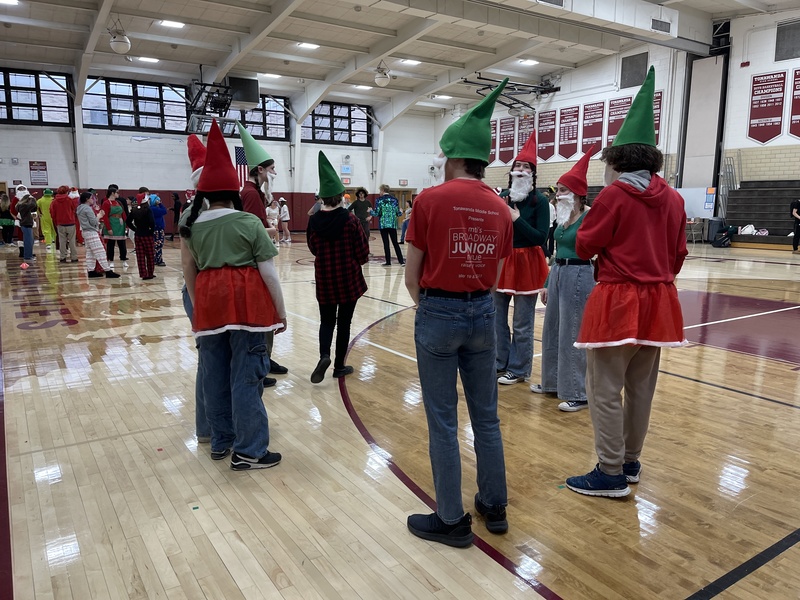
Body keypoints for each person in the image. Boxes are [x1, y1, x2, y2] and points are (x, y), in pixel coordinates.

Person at [566, 66, 687, 498]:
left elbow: (583, 247)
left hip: (618, 298)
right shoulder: (674, 198)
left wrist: (575, 222)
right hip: (660, 300)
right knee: (641, 389)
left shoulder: (614, 195)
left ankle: (610, 472)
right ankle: (630, 462)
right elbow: (678, 256)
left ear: (617, 160)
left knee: (603, 389)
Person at [404, 79, 513, 548]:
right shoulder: (502, 209)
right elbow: (496, 275)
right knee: (486, 418)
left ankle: (450, 519)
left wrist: (431, 307)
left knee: (444, 420)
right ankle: (494, 504)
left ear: (451, 155)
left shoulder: (429, 200)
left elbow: (412, 274)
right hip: (482, 313)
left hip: (438, 311)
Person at [180, 119, 285, 471]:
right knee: (247, 375)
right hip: (248, 307)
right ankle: (250, 450)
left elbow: (189, 273)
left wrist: (198, 312)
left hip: (208, 306)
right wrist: (280, 312)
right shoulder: (249, 223)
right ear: (234, 191)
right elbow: (268, 273)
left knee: (213, 373)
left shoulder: (192, 226)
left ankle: (221, 440)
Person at [531, 149, 596, 412]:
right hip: (558, 271)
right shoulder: (560, 218)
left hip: (580, 273)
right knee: (552, 328)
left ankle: (578, 392)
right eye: (557, 190)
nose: (558, 195)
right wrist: (547, 283)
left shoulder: (589, 215)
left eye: (564, 190)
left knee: (572, 331)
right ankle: (552, 382)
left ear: (579, 194)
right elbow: (557, 253)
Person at [308, 152, 370, 384]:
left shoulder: (313, 221)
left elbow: (314, 248)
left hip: (325, 279)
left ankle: (324, 355)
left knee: (326, 321)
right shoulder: (351, 220)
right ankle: (339, 366)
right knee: (344, 323)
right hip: (348, 279)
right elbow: (362, 253)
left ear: (323, 198)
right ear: (339, 196)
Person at [495, 132, 550, 385]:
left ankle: (518, 369)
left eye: (526, 167)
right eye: (517, 166)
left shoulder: (540, 201)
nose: (520, 170)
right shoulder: (501, 196)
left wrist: (516, 219)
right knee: (496, 317)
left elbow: (540, 238)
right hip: (503, 261)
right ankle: (499, 362)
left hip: (528, 262)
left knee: (522, 322)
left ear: (532, 173)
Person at [237, 121, 289, 381]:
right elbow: (251, 228)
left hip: (259, 257)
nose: (273, 173)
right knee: (261, 313)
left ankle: (265, 358)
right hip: (254, 261)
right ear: (259, 170)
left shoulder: (255, 192)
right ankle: (259, 362)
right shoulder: (249, 193)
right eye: (271, 169)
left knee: (266, 311)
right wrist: (270, 230)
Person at [76, 192, 120, 279]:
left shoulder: (79, 208)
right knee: (100, 252)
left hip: (85, 232)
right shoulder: (87, 209)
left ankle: (91, 271)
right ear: (87, 199)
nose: (93, 199)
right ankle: (108, 271)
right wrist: (99, 216)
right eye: (91, 198)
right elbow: (94, 222)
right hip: (91, 232)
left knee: (90, 252)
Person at [127, 193, 156, 280]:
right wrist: (151, 231)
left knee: (140, 256)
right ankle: (150, 273)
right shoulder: (148, 210)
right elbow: (152, 222)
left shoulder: (134, 209)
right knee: (150, 255)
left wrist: (135, 229)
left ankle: (143, 274)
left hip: (138, 234)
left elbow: (128, 221)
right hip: (147, 234)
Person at [374, 184, 404, 266]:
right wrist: (401, 212)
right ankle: (401, 260)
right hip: (392, 224)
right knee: (395, 243)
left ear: (383, 190)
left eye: (380, 190)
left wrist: (370, 211)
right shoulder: (394, 200)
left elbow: (377, 213)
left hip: (383, 225)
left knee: (386, 244)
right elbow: (398, 213)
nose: (379, 192)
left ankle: (388, 261)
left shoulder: (379, 200)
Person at [101, 185, 129, 269]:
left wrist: (126, 225)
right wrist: (109, 228)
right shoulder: (106, 203)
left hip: (120, 225)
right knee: (111, 244)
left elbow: (123, 213)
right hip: (112, 224)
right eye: (117, 192)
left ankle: (124, 260)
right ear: (112, 193)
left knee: (122, 244)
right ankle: (111, 261)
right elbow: (105, 216)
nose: (118, 194)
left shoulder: (118, 202)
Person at [50, 185, 79, 263]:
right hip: (70, 223)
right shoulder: (69, 200)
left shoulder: (54, 201)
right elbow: (74, 210)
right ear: (67, 191)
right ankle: (74, 257)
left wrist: (56, 223)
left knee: (62, 241)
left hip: (60, 223)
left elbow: (52, 213)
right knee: (72, 241)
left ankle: (63, 257)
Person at [15, 193, 37, 265]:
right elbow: (33, 205)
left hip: (26, 225)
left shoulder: (21, 206)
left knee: (30, 241)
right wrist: (32, 198)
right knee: (28, 242)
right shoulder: (23, 206)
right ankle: (28, 256)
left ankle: (29, 255)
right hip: (26, 225)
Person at [150, 194, 168, 266]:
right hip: (158, 229)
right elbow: (164, 211)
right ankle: (158, 260)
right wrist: (160, 204)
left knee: (154, 245)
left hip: (154, 229)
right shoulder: (154, 209)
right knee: (158, 245)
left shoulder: (150, 208)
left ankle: (154, 260)